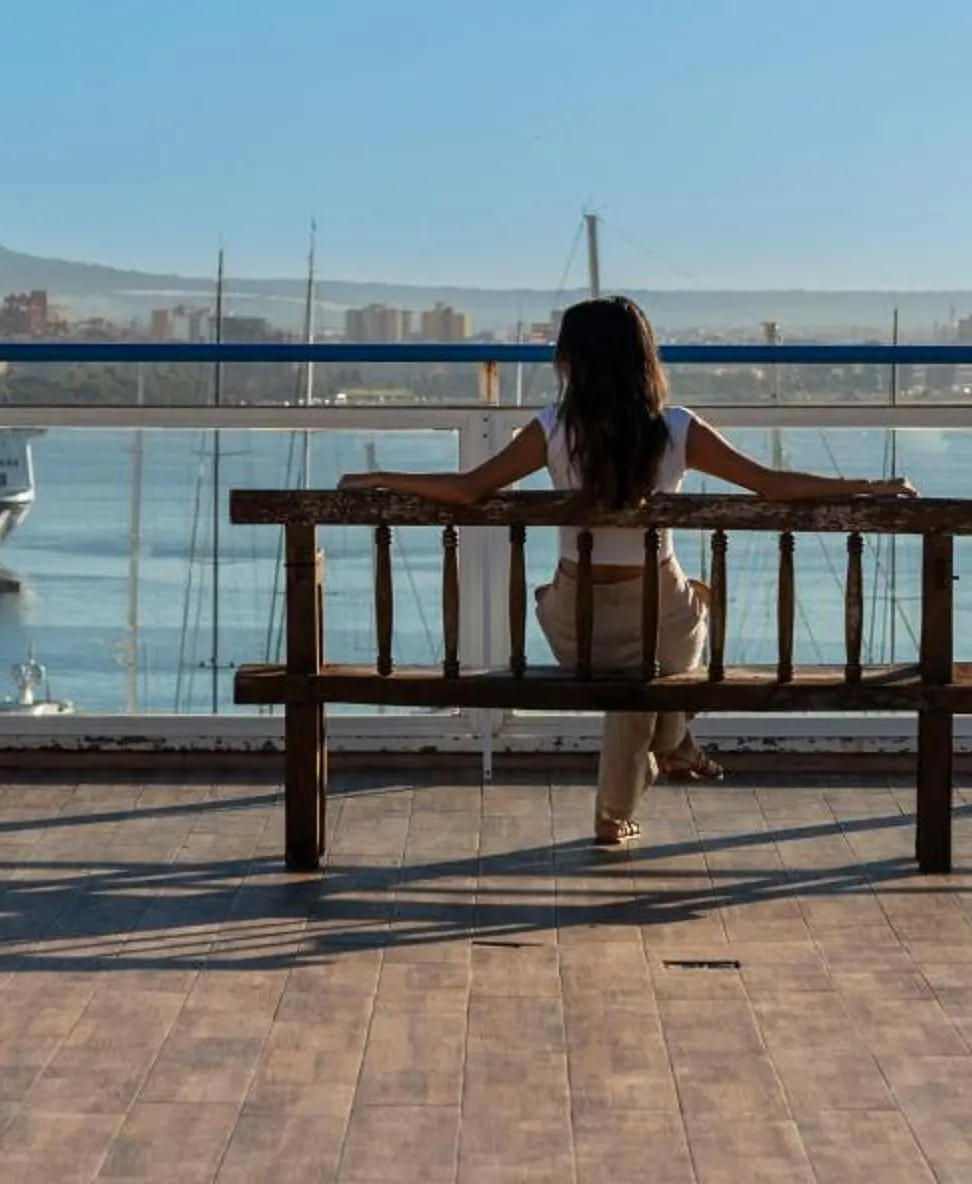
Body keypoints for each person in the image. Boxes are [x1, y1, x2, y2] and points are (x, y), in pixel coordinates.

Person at [340, 294, 911, 850]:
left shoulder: (552, 428)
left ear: (573, 362)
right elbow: (776, 486)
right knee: (675, 636)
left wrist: (382, 478)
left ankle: (641, 786)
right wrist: (871, 486)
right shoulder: (679, 429)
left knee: (632, 681)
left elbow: (468, 490)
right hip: (660, 622)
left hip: (576, 630)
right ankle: (664, 757)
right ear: (645, 359)